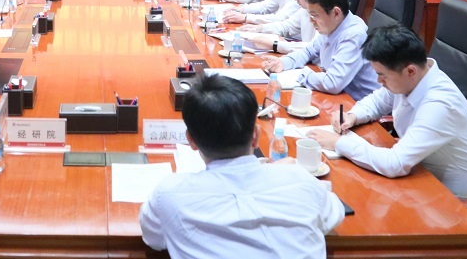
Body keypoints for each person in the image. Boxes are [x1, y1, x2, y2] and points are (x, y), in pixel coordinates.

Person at [139, 74, 345, 259]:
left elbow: (154, 239)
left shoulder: (169, 194)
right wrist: (282, 172)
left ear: (191, 141)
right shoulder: (300, 180)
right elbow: (333, 215)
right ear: (256, 136)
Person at [307, 25, 467, 198]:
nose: (379, 81)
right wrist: (353, 116)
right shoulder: (413, 77)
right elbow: (378, 101)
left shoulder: (439, 104)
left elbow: (395, 164)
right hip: (417, 170)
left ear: (410, 71)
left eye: (382, 75)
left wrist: (338, 143)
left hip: (449, 197)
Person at [262, 0, 379, 100]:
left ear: (336, 13)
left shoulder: (354, 35)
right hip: (339, 97)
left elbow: (333, 83)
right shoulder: (332, 25)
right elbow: (308, 51)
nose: (311, 21)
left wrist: (302, 75)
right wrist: (283, 62)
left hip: (356, 102)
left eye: (315, 15)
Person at [245, 0, 322, 53]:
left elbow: (314, 47)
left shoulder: (325, 14)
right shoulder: (305, 9)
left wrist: (275, 44)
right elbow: (286, 26)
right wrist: (260, 28)